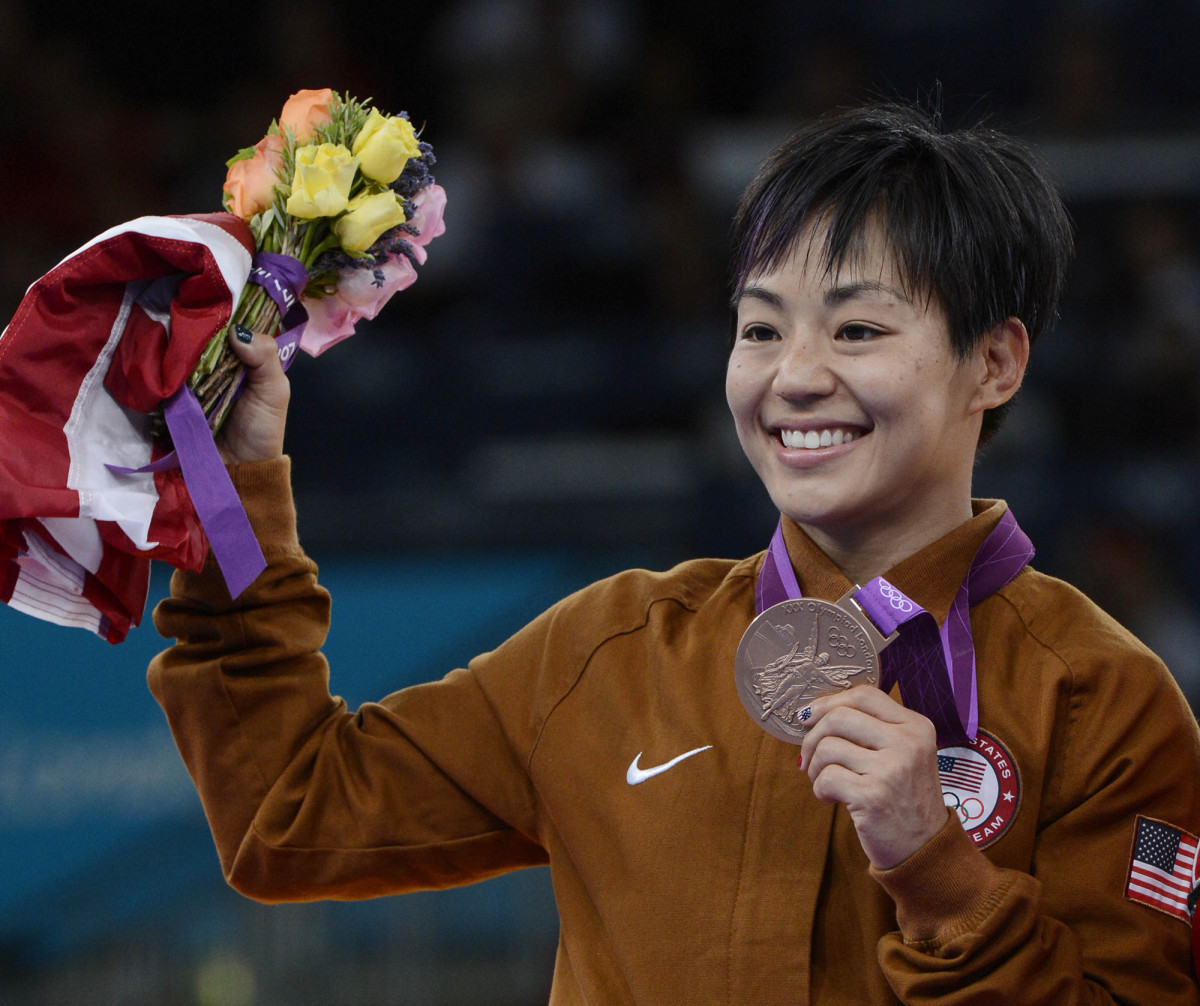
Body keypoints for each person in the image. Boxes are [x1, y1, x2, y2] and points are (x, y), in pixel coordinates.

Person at [148, 102, 1200, 1003]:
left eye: (858, 331)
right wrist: (234, 491)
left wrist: (938, 869)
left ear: (995, 361)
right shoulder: (609, 653)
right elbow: (292, 814)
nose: (792, 377)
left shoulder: (1103, 701)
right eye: (759, 328)